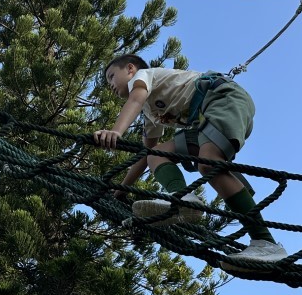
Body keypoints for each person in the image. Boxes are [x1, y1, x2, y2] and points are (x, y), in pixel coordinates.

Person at [93, 53, 287, 265]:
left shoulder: (143, 76)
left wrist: (116, 132)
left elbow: (135, 99)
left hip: (223, 98)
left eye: (112, 76)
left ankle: (266, 243)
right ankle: (182, 197)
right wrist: (122, 188)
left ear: (130, 69)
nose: (110, 85)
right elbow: (146, 153)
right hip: (204, 121)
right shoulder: (150, 112)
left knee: (208, 164)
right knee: (156, 155)